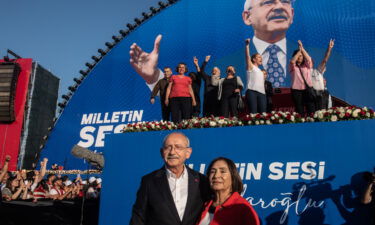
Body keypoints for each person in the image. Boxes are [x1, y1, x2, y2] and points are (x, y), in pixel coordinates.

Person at [130, 132, 209, 225]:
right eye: (168, 147)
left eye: (178, 147)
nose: (172, 152)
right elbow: (138, 218)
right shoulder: (149, 181)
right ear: (161, 152)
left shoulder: (201, 180)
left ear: (188, 153)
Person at [242, 0, 295, 88]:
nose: (279, 7)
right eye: (268, 2)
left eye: (285, 2)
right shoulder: (226, 63)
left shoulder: (314, 56)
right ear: (248, 17)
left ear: (292, 14)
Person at [196, 157, 260, 225]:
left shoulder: (243, 209)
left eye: (222, 171)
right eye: (212, 171)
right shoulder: (205, 205)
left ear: (233, 177)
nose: (216, 176)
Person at [289, 40, 315, 115]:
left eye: (301, 56)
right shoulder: (292, 66)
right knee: (299, 109)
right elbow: (292, 61)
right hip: (296, 91)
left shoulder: (307, 65)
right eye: (298, 56)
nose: (300, 57)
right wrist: (299, 52)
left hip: (308, 89)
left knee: (311, 109)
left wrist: (302, 49)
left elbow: (309, 59)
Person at [245, 38, 267, 114]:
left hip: (262, 93)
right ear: (254, 59)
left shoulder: (261, 72)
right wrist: (247, 46)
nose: (261, 58)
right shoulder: (251, 67)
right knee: (253, 113)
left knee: (263, 114)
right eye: (258, 57)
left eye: (261, 57)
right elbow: (247, 57)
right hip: (252, 92)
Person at [311, 39, 334, 110]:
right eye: (307, 61)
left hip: (321, 96)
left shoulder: (317, 70)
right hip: (310, 96)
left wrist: (329, 49)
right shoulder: (304, 72)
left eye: (310, 61)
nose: (309, 62)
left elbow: (325, 60)